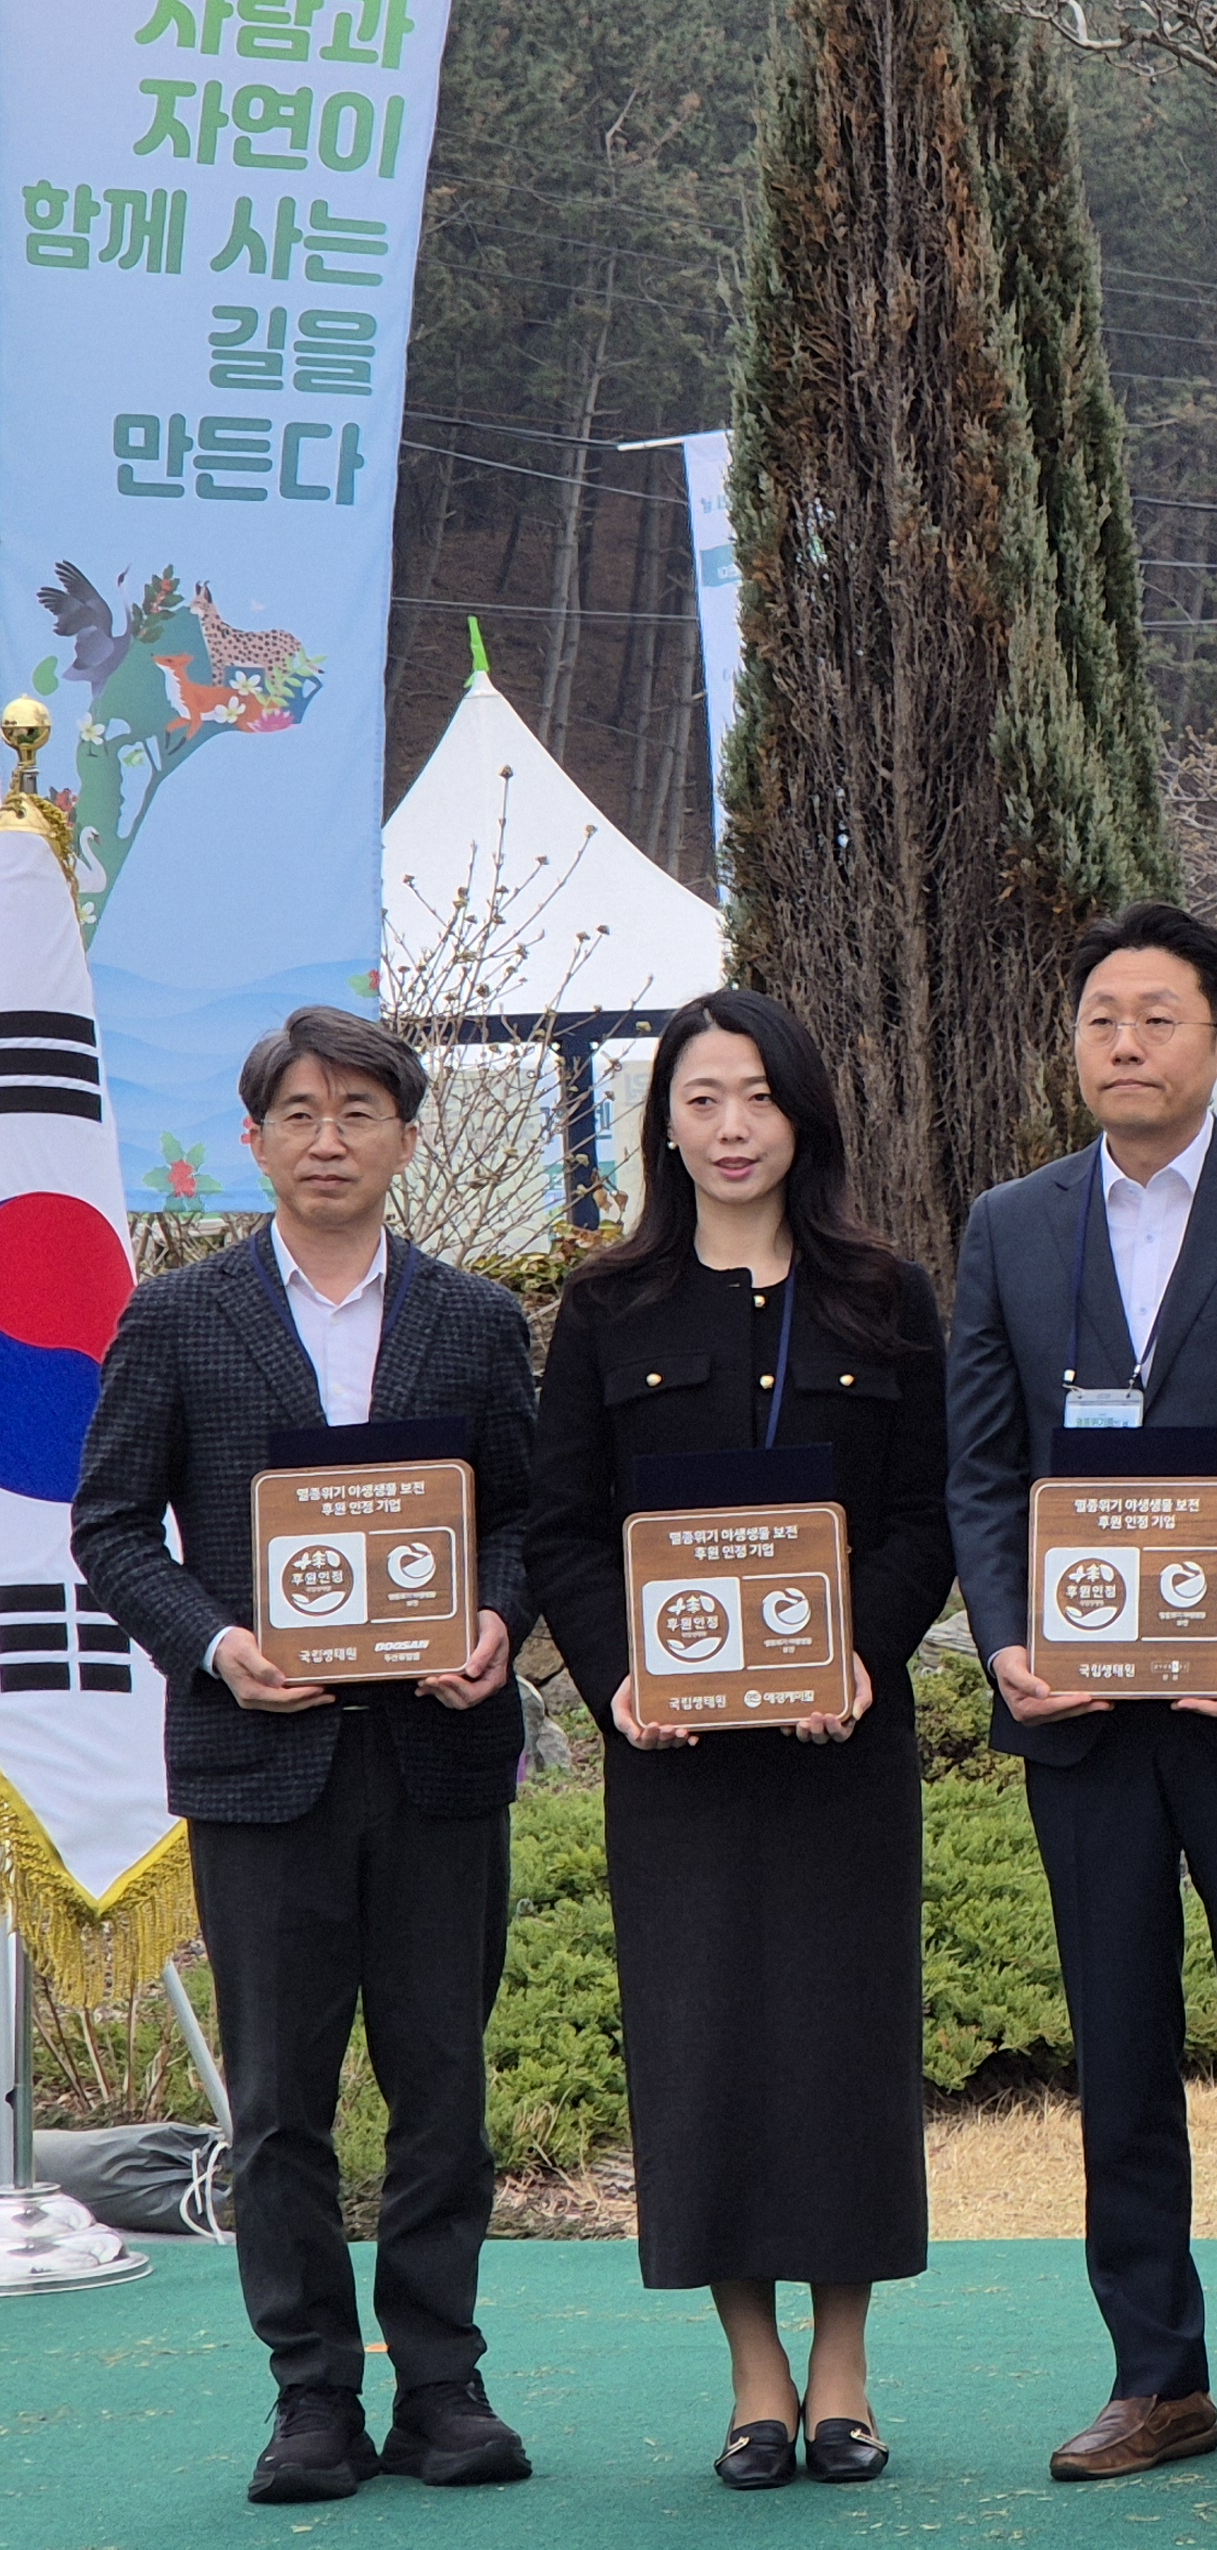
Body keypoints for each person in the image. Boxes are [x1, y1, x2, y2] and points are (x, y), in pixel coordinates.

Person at [71, 1008, 541, 2504]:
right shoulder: (178, 1315)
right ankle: (312, 2400)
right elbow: (111, 1526)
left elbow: (531, 1517)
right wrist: (220, 1643)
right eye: (298, 1113)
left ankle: (446, 2387)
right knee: (278, 2099)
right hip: (260, 1769)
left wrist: (498, 1621)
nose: (327, 1137)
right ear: (256, 1139)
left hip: (436, 1759)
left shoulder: (474, 1318)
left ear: (406, 1134)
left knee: (442, 2084)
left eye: (358, 1110)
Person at [525, 992, 958, 2489]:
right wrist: (615, 1674)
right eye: (700, 1099)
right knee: (705, 2042)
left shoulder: (884, 1296)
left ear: (803, 1119)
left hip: (841, 1740)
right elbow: (564, 1523)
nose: (728, 1128)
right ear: (664, 1124)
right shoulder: (610, 1307)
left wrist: (862, 1647)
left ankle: (844, 2369)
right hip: (677, 1755)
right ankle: (753, 2375)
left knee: (841, 2041)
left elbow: (926, 1518)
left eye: (757, 1098)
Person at [946, 903, 1217, 2483]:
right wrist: (1002, 1643)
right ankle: (1154, 2373)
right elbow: (985, 1471)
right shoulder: (1012, 1226)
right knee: (1118, 2042)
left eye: (1159, 1016)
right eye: (1102, 1015)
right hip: (1081, 1718)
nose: (1125, 1040)